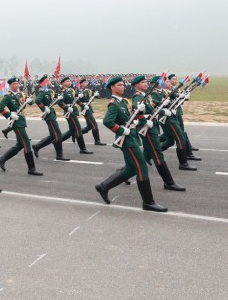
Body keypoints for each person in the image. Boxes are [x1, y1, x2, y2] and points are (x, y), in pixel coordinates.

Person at [93, 76, 167, 212]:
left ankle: (103, 186)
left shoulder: (123, 102)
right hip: (126, 140)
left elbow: (129, 117)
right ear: (112, 88)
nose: (123, 87)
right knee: (142, 168)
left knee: (130, 169)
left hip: (131, 137)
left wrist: (138, 111)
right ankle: (148, 202)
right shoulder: (114, 104)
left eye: (123, 85)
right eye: (120, 85)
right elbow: (107, 121)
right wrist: (121, 130)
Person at [131, 75, 184, 192]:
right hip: (146, 127)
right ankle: (169, 182)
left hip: (152, 126)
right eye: (142, 82)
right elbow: (135, 107)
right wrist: (140, 111)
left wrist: (162, 105)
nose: (145, 84)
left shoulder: (145, 96)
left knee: (146, 157)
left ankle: (121, 174)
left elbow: (152, 106)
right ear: (136, 85)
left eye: (146, 82)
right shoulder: (137, 96)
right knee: (157, 155)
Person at [0, 77, 42, 176]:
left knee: (20, 144)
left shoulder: (21, 94)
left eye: (17, 84)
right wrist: (9, 115)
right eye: (14, 84)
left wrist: (30, 101)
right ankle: (31, 169)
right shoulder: (8, 96)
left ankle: (2, 159)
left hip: (21, 120)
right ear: (10, 85)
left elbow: (30, 103)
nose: (16, 85)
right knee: (26, 144)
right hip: (16, 122)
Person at [31, 75, 69, 161]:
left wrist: (59, 98)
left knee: (52, 135)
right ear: (44, 82)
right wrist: (44, 108)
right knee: (57, 134)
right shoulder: (42, 91)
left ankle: (37, 147)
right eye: (48, 81)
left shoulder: (48, 91)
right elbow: (37, 100)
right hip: (48, 115)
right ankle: (59, 155)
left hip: (51, 113)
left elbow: (54, 100)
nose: (49, 82)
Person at [77, 78, 106, 146]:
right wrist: (82, 103)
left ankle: (76, 133)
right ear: (81, 84)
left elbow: (96, 96)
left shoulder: (88, 90)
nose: (86, 83)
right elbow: (77, 100)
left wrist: (96, 94)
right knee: (94, 124)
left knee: (90, 126)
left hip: (89, 108)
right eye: (84, 82)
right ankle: (97, 141)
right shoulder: (80, 91)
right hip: (85, 109)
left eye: (86, 82)